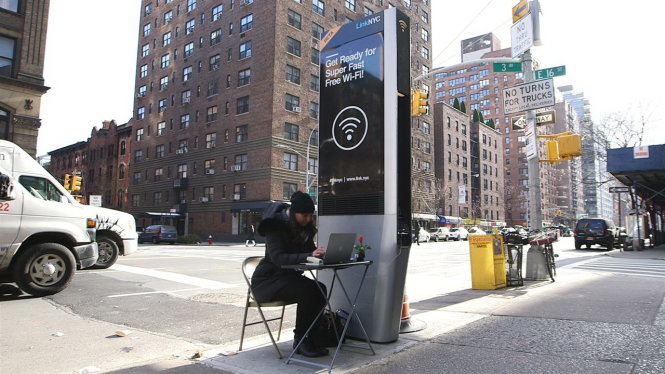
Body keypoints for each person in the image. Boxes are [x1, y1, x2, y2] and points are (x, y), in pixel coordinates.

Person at [251, 191, 328, 358]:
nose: (308, 219)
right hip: (267, 282)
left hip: (286, 278)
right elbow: (277, 258)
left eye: (310, 215)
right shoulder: (274, 226)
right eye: (305, 215)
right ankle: (301, 341)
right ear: (294, 213)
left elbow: (308, 251)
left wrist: (317, 253)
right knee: (309, 291)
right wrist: (307, 256)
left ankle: (310, 338)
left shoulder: (304, 227)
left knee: (320, 289)